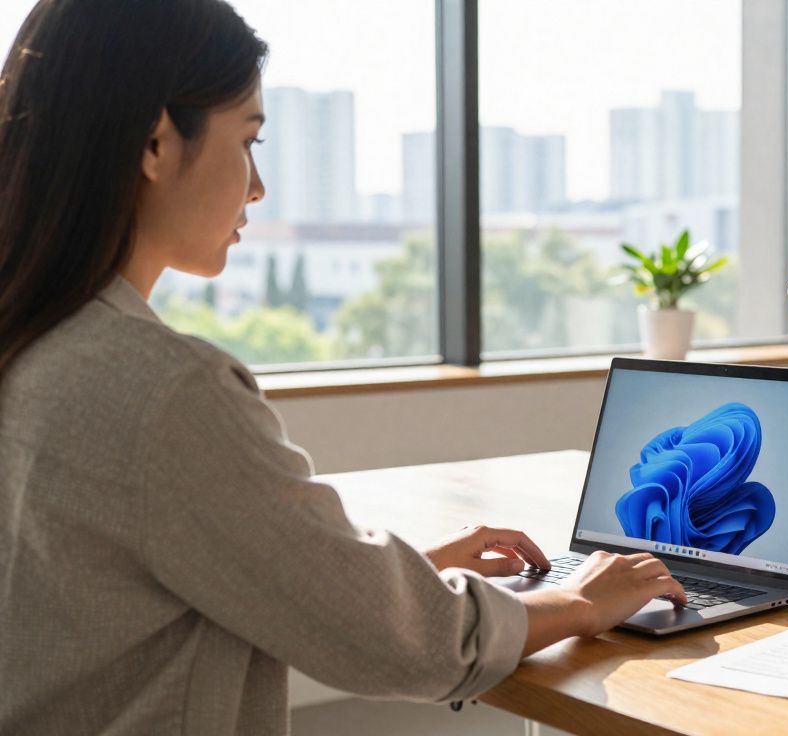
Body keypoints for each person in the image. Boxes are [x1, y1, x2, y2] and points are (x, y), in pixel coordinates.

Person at [0, 1, 684, 733]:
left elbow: (154, 583)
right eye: (248, 140)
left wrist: (386, 580)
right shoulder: (165, 391)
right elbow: (408, 648)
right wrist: (581, 601)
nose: (257, 187)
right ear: (156, 141)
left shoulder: (35, 344)